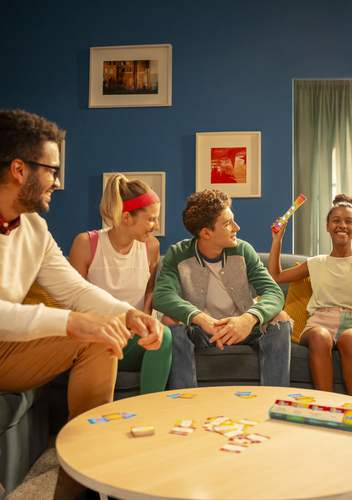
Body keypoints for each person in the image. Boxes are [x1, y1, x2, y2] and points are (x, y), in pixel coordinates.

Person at [0, 109, 163, 500]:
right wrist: (70, 322)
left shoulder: (34, 228)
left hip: (7, 351)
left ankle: (78, 485)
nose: (58, 182)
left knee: (101, 337)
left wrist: (128, 314)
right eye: (52, 170)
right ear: (19, 170)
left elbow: (74, 289)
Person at [152, 189, 291, 389]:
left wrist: (248, 319)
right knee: (168, 320)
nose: (236, 227)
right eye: (227, 224)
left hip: (244, 329)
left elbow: (274, 292)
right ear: (206, 233)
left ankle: (274, 396)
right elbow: (162, 295)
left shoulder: (243, 250)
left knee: (280, 317)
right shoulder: (178, 253)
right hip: (202, 331)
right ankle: (184, 400)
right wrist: (201, 318)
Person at [268, 194, 352, 398]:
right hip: (319, 322)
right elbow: (276, 276)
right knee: (320, 336)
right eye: (336, 220)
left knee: (351, 338)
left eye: (349, 221)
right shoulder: (316, 262)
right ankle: (326, 405)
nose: (342, 225)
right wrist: (277, 240)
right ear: (327, 227)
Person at [69, 173, 172, 394]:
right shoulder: (86, 243)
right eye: (151, 219)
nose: (156, 225)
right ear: (126, 218)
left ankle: (149, 408)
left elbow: (150, 290)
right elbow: (72, 299)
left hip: (131, 339)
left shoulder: (151, 247)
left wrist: (142, 323)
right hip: (95, 338)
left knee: (165, 336)